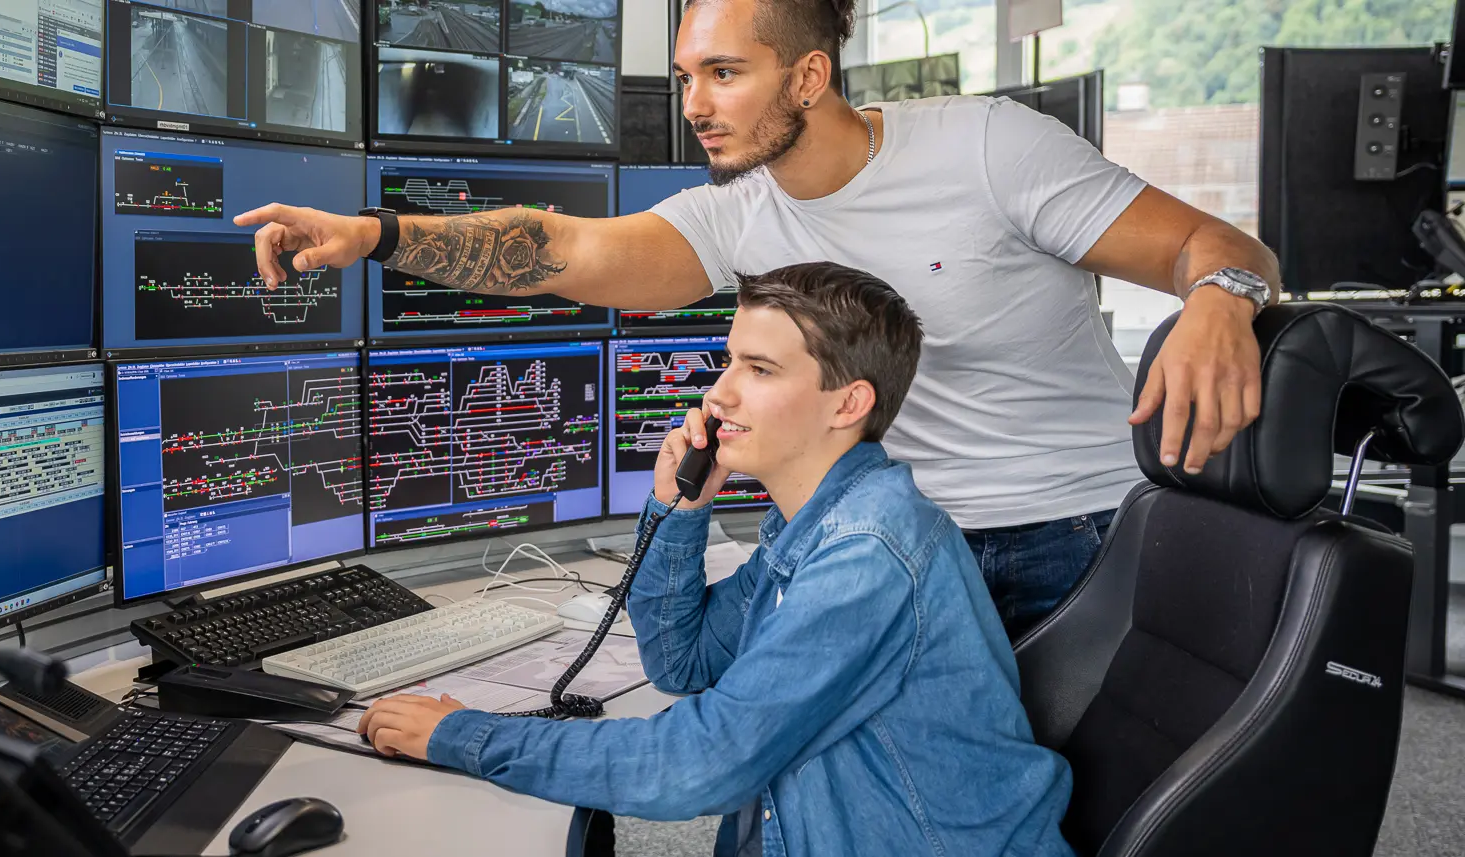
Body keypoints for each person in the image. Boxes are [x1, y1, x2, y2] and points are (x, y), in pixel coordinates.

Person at [236, 0, 1279, 637]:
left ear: (809, 74)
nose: (695, 102)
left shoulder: (989, 146)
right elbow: (560, 250)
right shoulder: (738, 213)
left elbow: (1223, 250)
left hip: (1063, 535)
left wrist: (1216, 305)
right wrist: (373, 234)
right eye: (688, 75)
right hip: (876, 537)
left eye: (724, 74)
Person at [358, 262, 1075, 857]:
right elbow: (685, 661)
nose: (720, 390)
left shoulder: (866, 554)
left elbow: (699, 764)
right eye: (731, 359)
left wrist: (465, 736)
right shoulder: (811, 525)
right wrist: (681, 511)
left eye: (759, 369)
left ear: (847, 402)